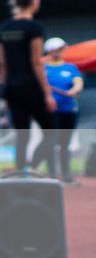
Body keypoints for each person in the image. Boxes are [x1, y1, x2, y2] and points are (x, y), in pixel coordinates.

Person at [0, 0, 55, 175]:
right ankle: (33, 167)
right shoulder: (34, 28)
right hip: (31, 86)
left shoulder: (3, 29)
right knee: (52, 133)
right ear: (33, 2)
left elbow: (2, 64)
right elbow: (36, 62)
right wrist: (47, 93)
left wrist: (4, 90)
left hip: (12, 87)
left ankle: (22, 170)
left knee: (22, 134)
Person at [43, 37, 82, 184]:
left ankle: (66, 174)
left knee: (65, 144)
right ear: (51, 50)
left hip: (68, 110)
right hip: (50, 111)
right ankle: (52, 174)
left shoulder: (70, 68)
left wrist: (74, 90)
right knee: (51, 142)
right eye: (58, 49)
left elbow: (78, 82)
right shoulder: (43, 68)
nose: (61, 52)